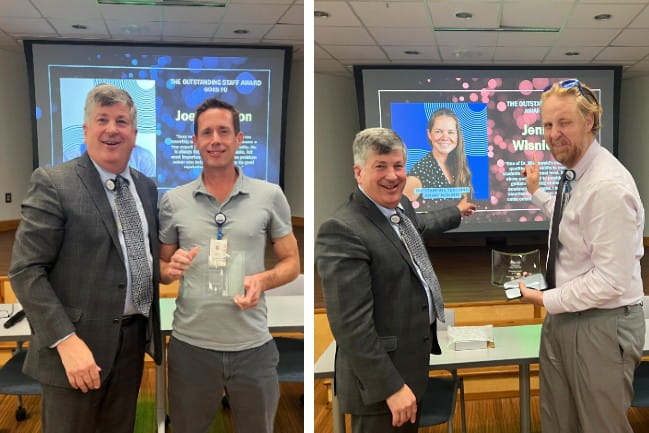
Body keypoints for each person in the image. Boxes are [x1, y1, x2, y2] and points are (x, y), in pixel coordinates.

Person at [8, 83, 162, 433]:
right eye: (102, 119)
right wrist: (65, 341)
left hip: (131, 343)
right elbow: (26, 270)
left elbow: (136, 257)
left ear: (134, 133)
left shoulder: (146, 188)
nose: (112, 129)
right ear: (86, 130)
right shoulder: (54, 182)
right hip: (74, 348)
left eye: (121, 121)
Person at [316, 127, 475, 433]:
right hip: (380, 385)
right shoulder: (343, 230)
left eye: (398, 166)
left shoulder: (399, 206)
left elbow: (421, 225)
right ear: (358, 172)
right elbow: (350, 327)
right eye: (380, 166)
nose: (392, 176)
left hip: (409, 366)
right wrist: (390, 387)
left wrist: (455, 212)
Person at [159, 97, 300, 433]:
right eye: (206, 133)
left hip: (252, 346)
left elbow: (292, 262)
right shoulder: (173, 201)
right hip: (191, 347)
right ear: (194, 142)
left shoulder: (269, 195)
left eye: (224, 131)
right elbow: (161, 269)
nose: (215, 140)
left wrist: (263, 281)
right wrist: (170, 268)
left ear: (239, 139)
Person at [520, 79, 645, 433]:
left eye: (564, 123)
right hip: (569, 317)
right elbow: (572, 222)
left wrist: (547, 299)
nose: (553, 134)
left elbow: (610, 280)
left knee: (600, 426)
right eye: (547, 124)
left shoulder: (608, 186)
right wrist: (536, 193)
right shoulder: (574, 174)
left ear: (589, 122)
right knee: (561, 423)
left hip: (600, 325)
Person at [404, 108, 472, 210]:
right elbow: (401, 218)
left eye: (451, 132)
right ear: (429, 134)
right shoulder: (417, 177)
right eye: (438, 131)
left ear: (457, 135)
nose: (445, 137)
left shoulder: (459, 166)